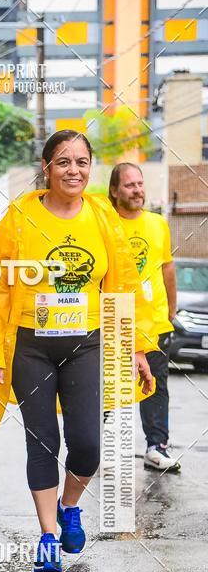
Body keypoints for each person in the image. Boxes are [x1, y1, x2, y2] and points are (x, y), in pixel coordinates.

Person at [0, 130, 156, 572]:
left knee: (87, 444)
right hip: (31, 347)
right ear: (45, 168)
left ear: (91, 168)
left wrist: (139, 348)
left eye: (81, 162)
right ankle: (48, 534)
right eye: (63, 161)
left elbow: (121, 289)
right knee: (42, 440)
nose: (73, 170)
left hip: (87, 345)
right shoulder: (19, 217)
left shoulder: (103, 218)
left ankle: (70, 506)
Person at [109, 163, 180, 473]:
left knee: (157, 385)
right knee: (111, 385)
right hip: (116, 320)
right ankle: (99, 448)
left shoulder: (158, 224)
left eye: (139, 184)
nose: (137, 190)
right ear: (114, 191)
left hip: (154, 322)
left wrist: (171, 309)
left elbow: (167, 267)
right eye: (129, 185)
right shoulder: (106, 224)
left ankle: (156, 446)